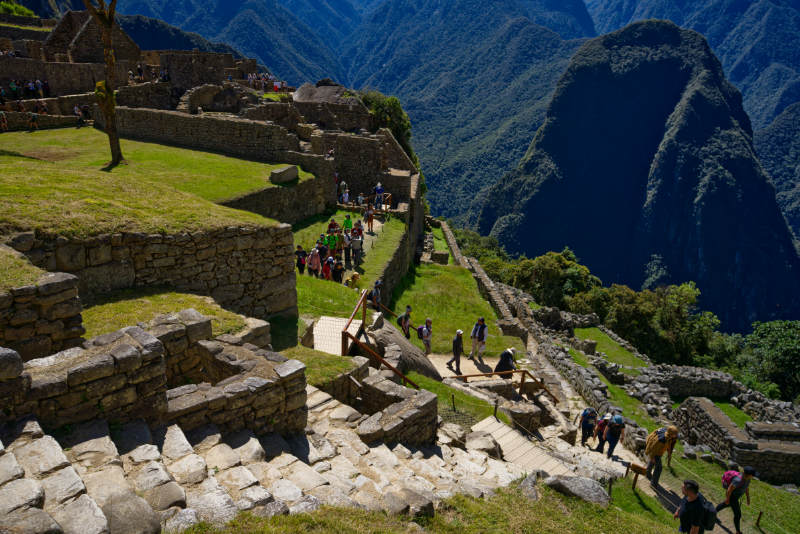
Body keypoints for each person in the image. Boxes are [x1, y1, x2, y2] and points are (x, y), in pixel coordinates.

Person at [716, 466, 756, 534]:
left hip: (735, 497)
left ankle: (712, 512)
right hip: (733, 497)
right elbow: (729, 490)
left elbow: (746, 487)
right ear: (748, 475)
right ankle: (738, 531)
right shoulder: (738, 480)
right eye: (753, 475)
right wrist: (728, 499)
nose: (753, 477)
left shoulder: (748, 479)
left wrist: (748, 497)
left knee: (724, 505)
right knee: (738, 515)